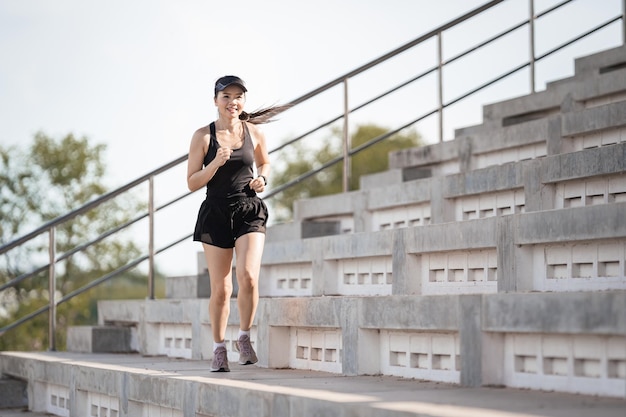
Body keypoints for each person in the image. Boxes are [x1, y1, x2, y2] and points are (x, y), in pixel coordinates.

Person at [187, 75, 288, 372]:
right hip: (215, 212)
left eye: (238, 96)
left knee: (249, 276)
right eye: (226, 96)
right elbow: (192, 182)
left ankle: (244, 336)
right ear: (216, 100)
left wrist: (263, 178)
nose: (233, 102)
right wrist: (215, 163)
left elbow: (265, 161)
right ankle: (219, 348)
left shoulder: (253, 132)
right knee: (221, 288)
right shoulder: (203, 137)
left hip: (249, 209)